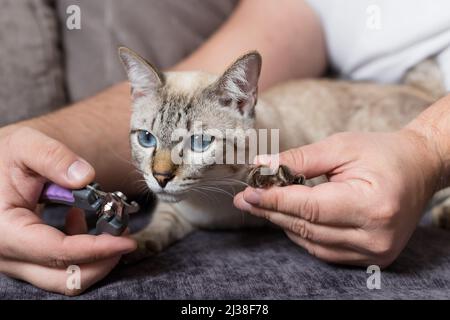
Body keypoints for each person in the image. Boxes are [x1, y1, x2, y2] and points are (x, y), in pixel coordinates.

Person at [0, 0, 449, 295]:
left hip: (398, 113)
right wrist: (16, 152)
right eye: (147, 139)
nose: (161, 169)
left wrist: (429, 150)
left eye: (195, 143)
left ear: (242, 101)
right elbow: (181, 191)